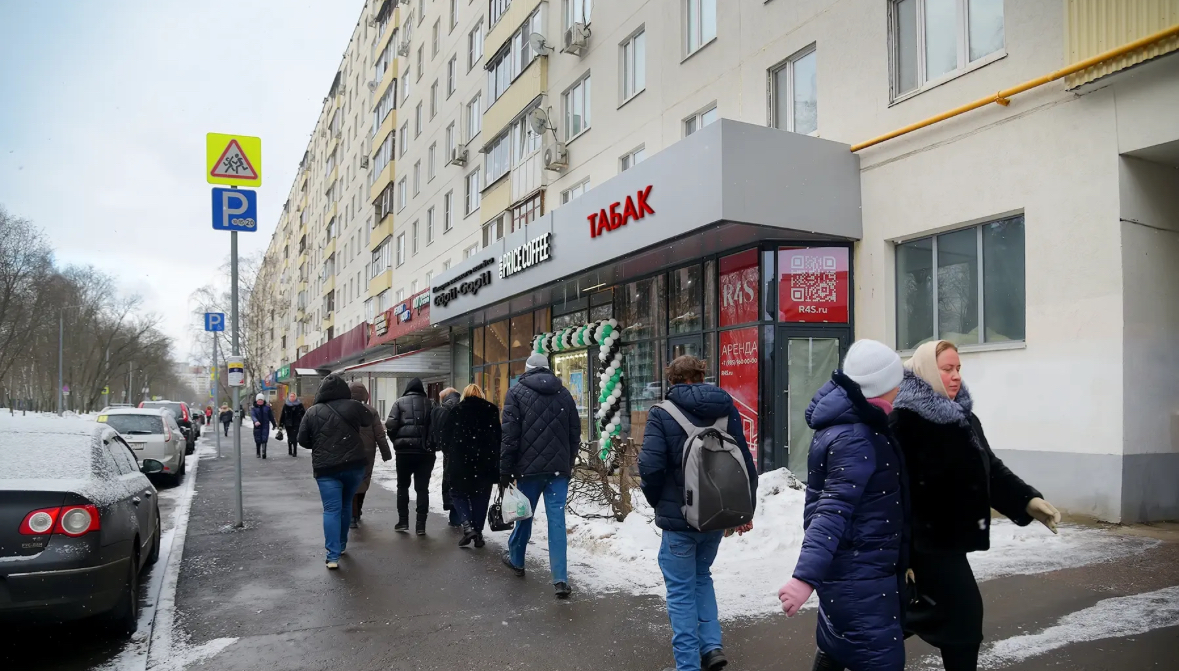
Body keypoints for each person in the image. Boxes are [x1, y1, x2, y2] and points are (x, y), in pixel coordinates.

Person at [889, 340, 1060, 671]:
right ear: (926, 371)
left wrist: (1028, 501)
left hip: (948, 544)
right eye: (947, 369)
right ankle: (841, 646)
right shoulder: (903, 423)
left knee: (904, 618)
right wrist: (902, 555)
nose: (956, 376)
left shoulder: (964, 418)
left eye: (958, 368)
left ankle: (837, 649)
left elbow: (990, 470)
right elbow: (892, 495)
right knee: (963, 622)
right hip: (923, 546)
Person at [777, 340, 909, 671]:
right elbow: (831, 510)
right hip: (860, 577)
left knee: (838, 648)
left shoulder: (855, 424)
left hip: (856, 572)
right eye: (896, 382)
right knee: (879, 660)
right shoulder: (855, 437)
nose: (900, 389)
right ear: (880, 386)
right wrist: (804, 578)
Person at [640, 355, 758, 671]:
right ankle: (712, 647)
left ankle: (688, 665)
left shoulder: (662, 413)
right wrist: (746, 509)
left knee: (680, 592)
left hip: (679, 520)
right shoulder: (726, 408)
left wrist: (658, 502)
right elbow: (745, 462)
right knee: (702, 577)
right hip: (715, 515)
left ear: (673, 379)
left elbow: (650, 467)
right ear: (701, 376)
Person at [499, 353, 581, 599]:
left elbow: (510, 436)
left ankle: (517, 559)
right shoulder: (564, 394)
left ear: (527, 369)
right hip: (558, 471)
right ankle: (560, 579)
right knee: (557, 522)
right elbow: (574, 433)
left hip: (528, 470)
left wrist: (505, 469)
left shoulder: (516, 393)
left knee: (524, 514)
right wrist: (567, 462)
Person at [297, 374, 373, 569]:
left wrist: (320, 443)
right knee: (346, 504)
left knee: (331, 509)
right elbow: (368, 419)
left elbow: (303, 440)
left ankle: (332, 556)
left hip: (326, 468)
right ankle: (342, 544)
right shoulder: (354, 406)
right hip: (354, 465)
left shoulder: (312, 411)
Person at [440, 384, 501, 548]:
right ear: (481, 394)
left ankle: (467, 526)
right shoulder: (491, 410)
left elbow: (445, 439)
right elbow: (498, 438)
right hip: (485, 463)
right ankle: (478, 533)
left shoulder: (457, 411)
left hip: (461, 462)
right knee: (481, 497)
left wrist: (451, 453)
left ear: (465, 394)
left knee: (457, 492)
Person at [385, 377, 435, 535]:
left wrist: (397, 441)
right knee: (422, 488)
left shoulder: (399, 403)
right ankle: (421, 525)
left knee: (402, 486)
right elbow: (435, 427)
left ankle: (403, 521)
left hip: (404, 453)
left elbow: (390, 425)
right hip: (425, 452)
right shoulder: (431, 404)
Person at [349, 382, 392, 529]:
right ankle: (358, 510)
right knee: (364, 480)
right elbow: (379, 434)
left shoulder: (344, 409)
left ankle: (353, 515)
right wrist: (386, 452)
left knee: (351, 481)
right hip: (367, 451)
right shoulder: (371, 411)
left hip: (349, 449)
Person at [430, 387, 463, 528]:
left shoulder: (445, 409)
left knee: (452, 483)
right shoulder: (462, 405)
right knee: (462, 484)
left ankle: (456, 518)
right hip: (464, 451)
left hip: (451, 452)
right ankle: (461, 517)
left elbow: (441, 431)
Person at [280, 392, 306, 457]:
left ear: (295, 397)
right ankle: (290, 449)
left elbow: (304, 414)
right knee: (289, 437)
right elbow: (283, 415)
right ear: (289, 397)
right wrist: (281, 425)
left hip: (296, 423)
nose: (292, 398)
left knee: (294, 437)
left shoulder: (299, 405)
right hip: (288, 424)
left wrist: (304, 422)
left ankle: (295, 451)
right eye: (291, 396)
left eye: (293, 396)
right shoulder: (286, 405)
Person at [251, 393, 276, 458]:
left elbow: (271, 417)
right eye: (259, 400)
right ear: (257, 400)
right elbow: (253, 416)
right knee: (258, 439)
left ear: (263, 400)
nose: (260, 401)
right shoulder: (254, 408)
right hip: (257, 426)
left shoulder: (267, 408)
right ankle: (258, 452)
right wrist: (256, 421)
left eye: (261, 400)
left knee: (264, 439)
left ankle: (264, 452)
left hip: (265, 425)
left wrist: (274, 424)